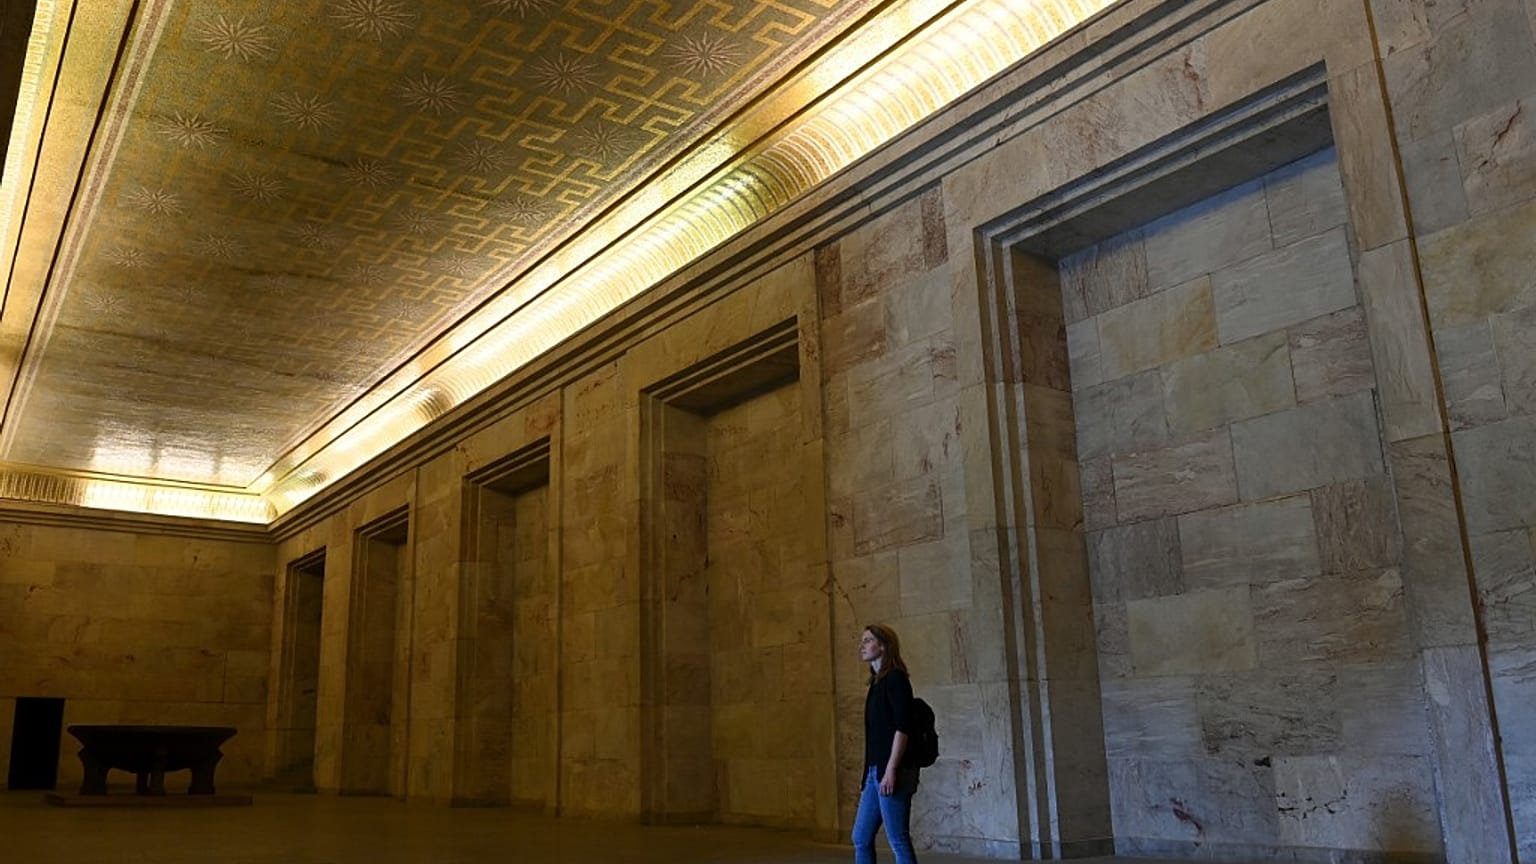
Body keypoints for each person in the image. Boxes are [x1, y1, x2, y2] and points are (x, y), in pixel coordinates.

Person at [852, 623, 920, 864]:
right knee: (860, 837)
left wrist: (891, 769)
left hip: (893, 770)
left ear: (883, 645)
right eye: (863, 640)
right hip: (874, 772)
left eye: (868, 640)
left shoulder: (896, 679)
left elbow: (903, 728)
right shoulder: (876, 684)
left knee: (897, 839)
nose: (863, 645)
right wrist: (869, 775)